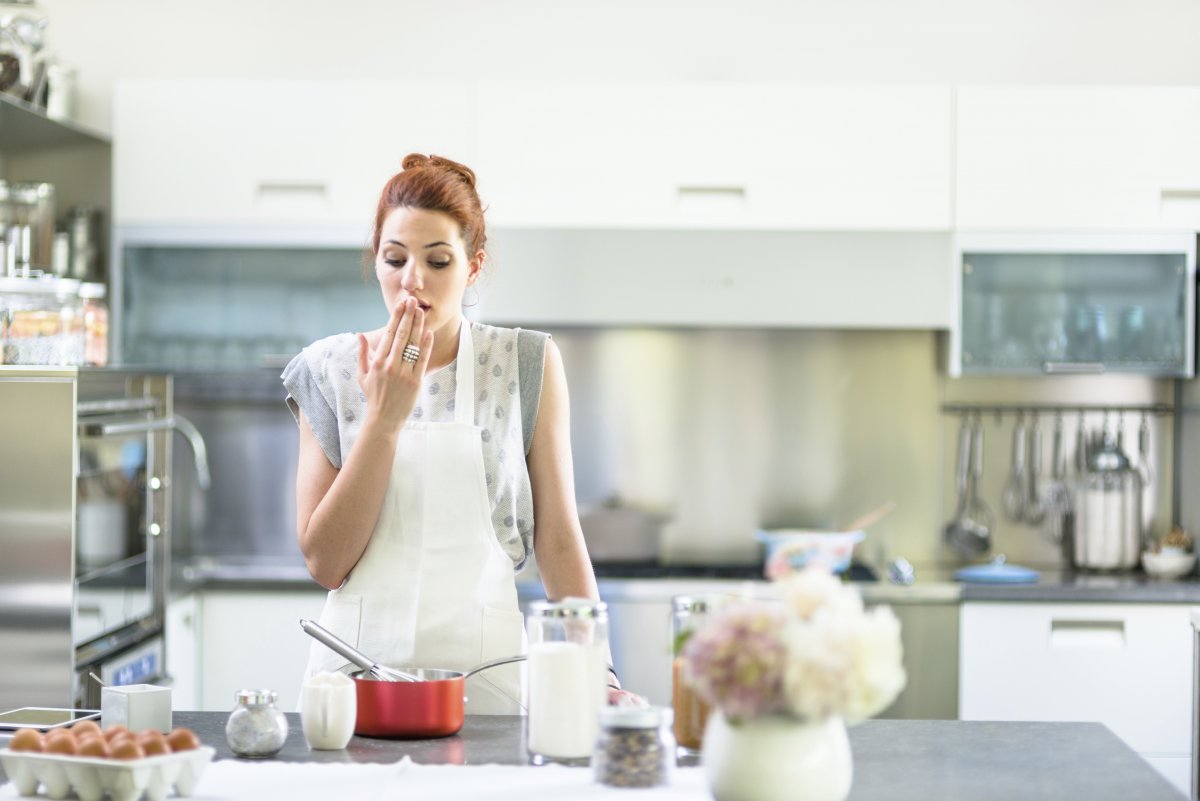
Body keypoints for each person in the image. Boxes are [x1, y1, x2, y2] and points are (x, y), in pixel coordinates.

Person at [282, 153, 622, 714]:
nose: (412, 281)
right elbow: (326, 563)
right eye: (394, 259)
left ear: (474, 265)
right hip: (356, 679)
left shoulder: (523, 362)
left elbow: (558, 537)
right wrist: (383, 420)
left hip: (486, 678)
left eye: (438, 261)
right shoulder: (329, 370)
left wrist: (600, 671)